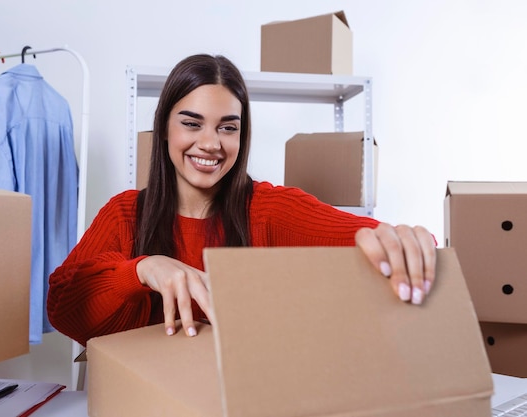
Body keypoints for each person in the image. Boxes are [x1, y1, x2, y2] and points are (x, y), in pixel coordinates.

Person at [47, 54, 436, 347]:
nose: (211, 143)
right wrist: (142, 270)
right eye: (192, 123)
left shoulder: (270, 210)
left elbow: (380, 237)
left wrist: (401, 240)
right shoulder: (126, 213)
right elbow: (64, 309)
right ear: (164, 127)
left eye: (227, 128)